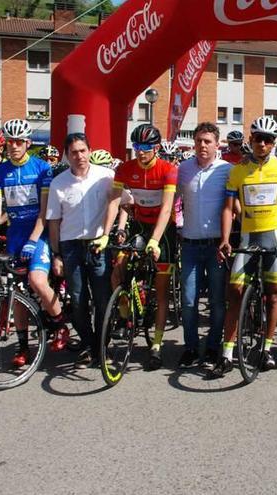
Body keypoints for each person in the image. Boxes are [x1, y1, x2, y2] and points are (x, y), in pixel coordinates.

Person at [209, 116, 277, 378]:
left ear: (274, 143)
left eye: (268, 140)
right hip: (247, 237)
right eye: (258, 139)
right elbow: (228, 206)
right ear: (251, 139)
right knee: (234, 292)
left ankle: (267, 349)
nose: (263, 144)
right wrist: (224, 239)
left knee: (274, 295)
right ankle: (227, 354)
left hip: (273, 237)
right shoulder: (238, 170)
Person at [0, 119, 68, 366]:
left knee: (37, 280)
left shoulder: (42, 168)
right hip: (15, 234)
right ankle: (23, 348)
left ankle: (60, 324)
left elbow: (44, 211)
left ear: (28, 143)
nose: (13, 146)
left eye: (19, 142)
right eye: (10, 141)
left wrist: (33, 240)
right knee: (17, 293)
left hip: (38, 232)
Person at [109, 123, 178, 370]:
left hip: (163, 231)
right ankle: (124, 315)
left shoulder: (168, 170)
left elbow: (168, 208)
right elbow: (114, 201)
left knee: (160, 291)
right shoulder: (125, 169)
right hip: (139, 225)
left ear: (156, 148)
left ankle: (157, 346)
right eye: (137, 146)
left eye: (146, 147)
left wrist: (155, 240)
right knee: (118, 268)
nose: (141, 152)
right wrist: (105, 233)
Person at [46, 133, 116, 369]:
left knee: (102, 298)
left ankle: (102, 346)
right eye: (74, 152)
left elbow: (123, 202)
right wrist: (56, 254)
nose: (79, 156)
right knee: (77, 300)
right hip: (71, 246)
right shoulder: (59, 182)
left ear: (89, 150)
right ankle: (88, 344)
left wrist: (118, 229)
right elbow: (54, 221)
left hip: (98, 244)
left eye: (83, 150)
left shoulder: (105, 176)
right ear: (67, 155)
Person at [177, 122, 232, 369]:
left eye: (207, 141)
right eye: (199, 140)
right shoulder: (183, 169)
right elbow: (171, 200)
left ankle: (212, 347)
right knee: (188, 300)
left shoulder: (227, 170)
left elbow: (236, 206)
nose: (202, 145)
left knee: (217, 301)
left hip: (216, 246)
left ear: (217, 144)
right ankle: (190, 347)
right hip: (188, 244)